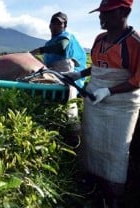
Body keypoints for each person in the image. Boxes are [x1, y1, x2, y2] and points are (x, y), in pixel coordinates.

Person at [65, 0, 140, 206]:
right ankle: (92, 184)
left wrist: (109, 91)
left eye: (107, 13)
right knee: (91, 141)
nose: (101, 17)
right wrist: (80, 72)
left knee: (116, 150)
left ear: (124, 12)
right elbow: (98, 66)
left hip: (121, 106)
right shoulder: (100, 39)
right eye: (101, 13)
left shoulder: (135, 43)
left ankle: (113, 195)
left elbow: (137, 80)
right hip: (95, 101)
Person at [30, 12, 87, 129]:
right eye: (53, 23)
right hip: (51, 71)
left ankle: (73, 126)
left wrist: (40, 50)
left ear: (64, 25)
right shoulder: (50, 42)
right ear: (49, 25)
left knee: (68, 96)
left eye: (59, 23)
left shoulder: (66, 36)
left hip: (65, 70)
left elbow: (61, 48)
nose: (55, 26)